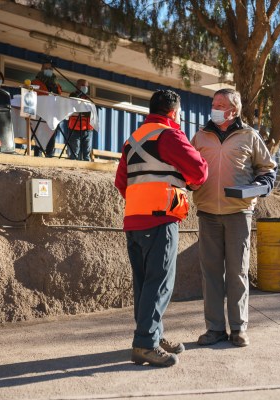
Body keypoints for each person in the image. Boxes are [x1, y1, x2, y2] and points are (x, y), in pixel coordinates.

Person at [114, 89, 208, 367]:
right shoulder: (170, 135)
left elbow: (121, 183)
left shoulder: (133, 140)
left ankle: (152, 335)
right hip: (160, 219)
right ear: (173, 112)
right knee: (159, 284)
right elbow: (200, 171)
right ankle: (145, 344)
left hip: (134, 220)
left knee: (145, 283)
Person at [191, 88, 277, 348]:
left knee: (237, 272)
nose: (214, 108)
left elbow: (267, 170)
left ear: (234, 109)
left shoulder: (249, 136)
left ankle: (239, 328)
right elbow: (188, 166)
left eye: (220, 105)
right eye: (213, 104)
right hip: (207, 212)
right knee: (211, 274)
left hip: (239, 213)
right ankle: (214, 329)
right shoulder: (200, 136)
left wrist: (260, 185)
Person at [32, 61, 62, 157]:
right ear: (42, 69)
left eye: (50, 69)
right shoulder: (35, 82)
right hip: (40, 113)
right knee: (39, 137)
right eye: (46, 68)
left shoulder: (56, 85)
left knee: (51, 137)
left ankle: (49, 156)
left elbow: (59, 98)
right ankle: (37, 157)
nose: (48, 70)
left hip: (52, 114)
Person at [67, 79, 94, 161]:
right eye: (83, 85)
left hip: (88, 128)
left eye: (86, 86)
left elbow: (90, 111)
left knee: (87, 153)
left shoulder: (87, 98)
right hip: (75, 127)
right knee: (74, 151)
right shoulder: (73, 95)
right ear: (77, 86)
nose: (85, 87)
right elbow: (73, 108)